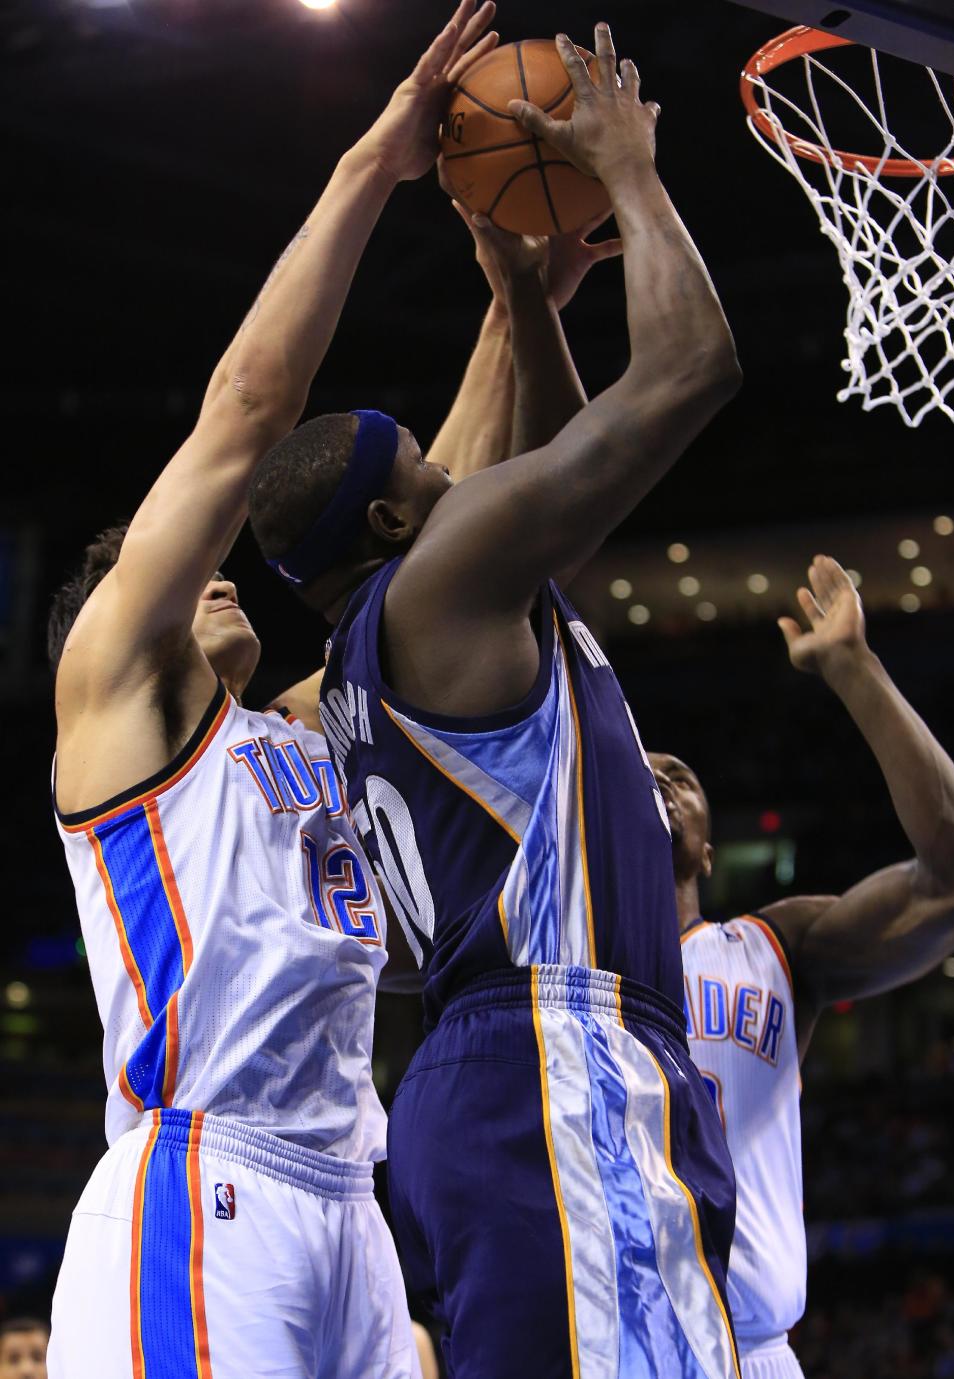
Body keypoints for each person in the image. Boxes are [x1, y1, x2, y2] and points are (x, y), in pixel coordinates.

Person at [249, 24, 743, 1379]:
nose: (463, 464)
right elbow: (694, 370)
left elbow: (561, 518)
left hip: (517, 1063)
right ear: (403, 513)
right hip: (555, 1062)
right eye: (428, 457)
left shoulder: (396, 641)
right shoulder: (440, 584)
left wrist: (529, 296)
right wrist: (632, 175)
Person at [45, 5, 497, 1376]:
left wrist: (520, 295)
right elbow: (248, 405)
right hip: (202, 1188)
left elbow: (442, 535)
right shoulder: (117, 697)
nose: (218, 570)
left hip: (346, 1204)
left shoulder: (292, 733)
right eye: (173, 564)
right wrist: (376, 160)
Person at [650, 555, 954, 1379]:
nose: (663, 774)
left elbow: (952, 874)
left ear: (709, 851)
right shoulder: (551, 967)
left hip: (754, 1352)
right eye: (637, 770)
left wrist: (855, 669)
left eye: (680, 775)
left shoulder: (773, 946)